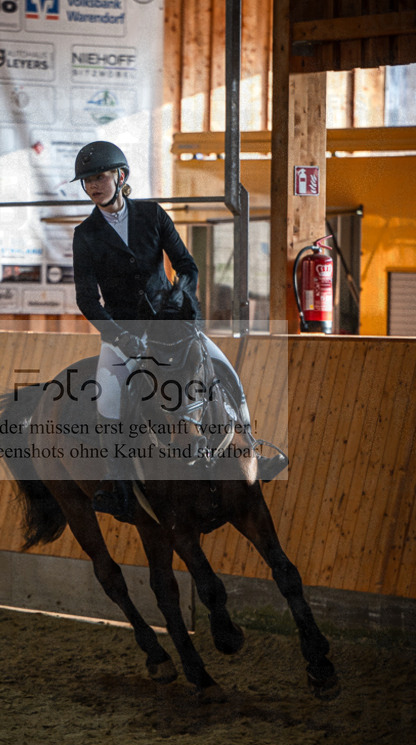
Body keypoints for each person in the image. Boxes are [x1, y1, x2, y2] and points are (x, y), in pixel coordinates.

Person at [71, 140, 287, 520]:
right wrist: (119, 335)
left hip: (171, 326)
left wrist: (178, 301)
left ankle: (251, 446)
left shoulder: (153, 216)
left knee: (224, 370)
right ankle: (118, 483)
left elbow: (187, 266)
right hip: (124, 333)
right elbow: (88, 299)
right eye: (87, 180)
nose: (93, 185)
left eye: (100, 177)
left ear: (120, 177)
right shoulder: (85, 234)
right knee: (108, 399)